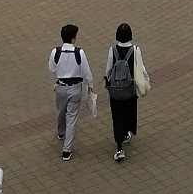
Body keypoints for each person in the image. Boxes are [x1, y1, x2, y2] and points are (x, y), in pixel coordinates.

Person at [48, 23, 94, 161]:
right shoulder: (79, 53)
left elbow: (51, 68)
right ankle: (67, 150)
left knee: (60, 111)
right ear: (73, 39)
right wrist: (90, 84)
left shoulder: (55, 52)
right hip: (75, 88)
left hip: (60, 87)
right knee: (72, 117)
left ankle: (61, 132)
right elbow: (86, 72)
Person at [104, 23, 149, 161]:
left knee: (117, 117)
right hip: (130, 90)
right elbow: (141, 69)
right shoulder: (135, 50)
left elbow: (108, 69)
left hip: (116, 91)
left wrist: (107, 81)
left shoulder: (112, 50)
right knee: (129, 112)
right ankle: (127, 132)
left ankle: (119, 148)